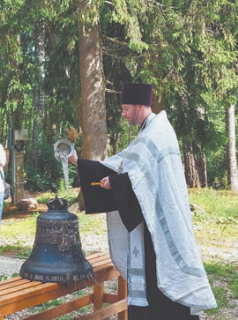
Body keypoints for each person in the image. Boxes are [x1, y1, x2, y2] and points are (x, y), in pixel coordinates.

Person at [69, 83, 216, 319]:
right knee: (150, 281)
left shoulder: (157, 133)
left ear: (140, 106)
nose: (124, 114)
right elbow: (124, 168)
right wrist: (80, 163)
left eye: (126, 108)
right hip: (146, 223)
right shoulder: (147, 132)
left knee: (160, 280)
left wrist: (116, 183)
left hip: (159, 223)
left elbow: (147, 180)